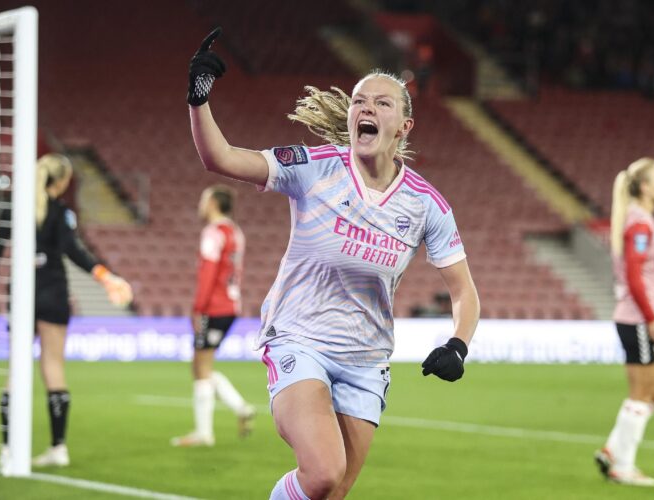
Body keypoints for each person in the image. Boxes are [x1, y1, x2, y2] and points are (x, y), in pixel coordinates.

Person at [187, 28, 480, 500]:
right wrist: (199, 100)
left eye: (383, 103)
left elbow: (464, 289)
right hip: (300, 341)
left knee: (332, 492)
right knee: (322, 472)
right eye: (360, 101)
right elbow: (218, 158)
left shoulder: (426, 205)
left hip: (367, 360)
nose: (367, 108)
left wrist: (459, 344)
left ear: (405, 126)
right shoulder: (314, 168)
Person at [0, 154, 132, 468]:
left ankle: (7, 449)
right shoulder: (61, 213)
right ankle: (58, 447)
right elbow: (75, 251)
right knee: (53, 367)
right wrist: (106, 277)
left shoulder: (13, 207)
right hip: (54, 293)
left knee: (16, 370)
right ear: (59, 182)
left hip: (21, 294)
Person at [594, 158, 654, 487]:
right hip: (638, 319)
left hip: (644, 317)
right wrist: (652, 315)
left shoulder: (642, 220)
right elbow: (634, 275)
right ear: (644, 187)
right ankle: (623, 466)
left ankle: (613, 450)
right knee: (642, 393)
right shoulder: (639, 224)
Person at [171, 185, 256, 447]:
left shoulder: (213, 233)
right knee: (201, 366)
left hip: (214, 306)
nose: (201, 204)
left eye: (204, 199)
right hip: (231, 306)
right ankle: (240, 407)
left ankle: (204, 433)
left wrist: (198, 308)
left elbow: (208, 273)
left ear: (213, 204)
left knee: (201, 367)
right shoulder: (235, 232)